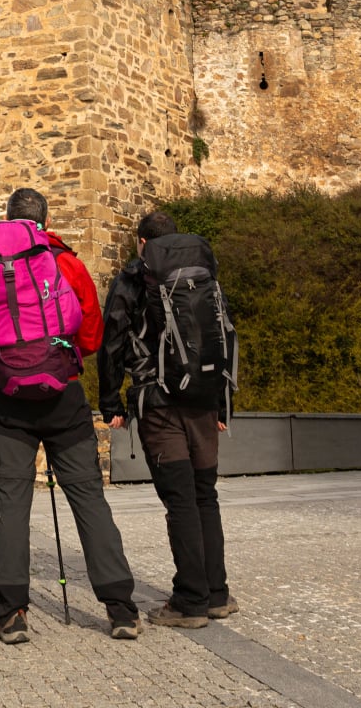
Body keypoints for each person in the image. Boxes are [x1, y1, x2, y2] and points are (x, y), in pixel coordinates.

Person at [0, 187, 140, 643]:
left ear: (8, 221)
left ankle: (11, 613)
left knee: (13, 507)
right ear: (45, 220)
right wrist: (55, 356)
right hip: (63, 397)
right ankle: (121, 608)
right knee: (88, 499)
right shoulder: (67, 263)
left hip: (8, 401)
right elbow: (92, 335)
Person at [98, 208, 239, 629]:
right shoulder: (205, 275)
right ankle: (217, 594)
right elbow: (225, 336)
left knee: (180, 502)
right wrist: (223, 404)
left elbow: (113, 344)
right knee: (205, 497)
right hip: (205, 401)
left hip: (159, 405)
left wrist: (112, 405)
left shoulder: (133, 279)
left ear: (142, 243)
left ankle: (189, 601)